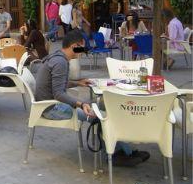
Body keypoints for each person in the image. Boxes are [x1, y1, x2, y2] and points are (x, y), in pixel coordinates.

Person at [35, 29, 149, 166]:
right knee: (101, 115)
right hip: (51, 108)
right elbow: (58, 93)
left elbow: (57, 85)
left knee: (101, 107)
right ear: (74, 46)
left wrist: (78, 83)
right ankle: (120, 153)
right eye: (82, 48)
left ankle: (122, 150)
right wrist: (81, 104)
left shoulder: (58, 57)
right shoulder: (61, 62)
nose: (82, 52)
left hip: (49, 103)